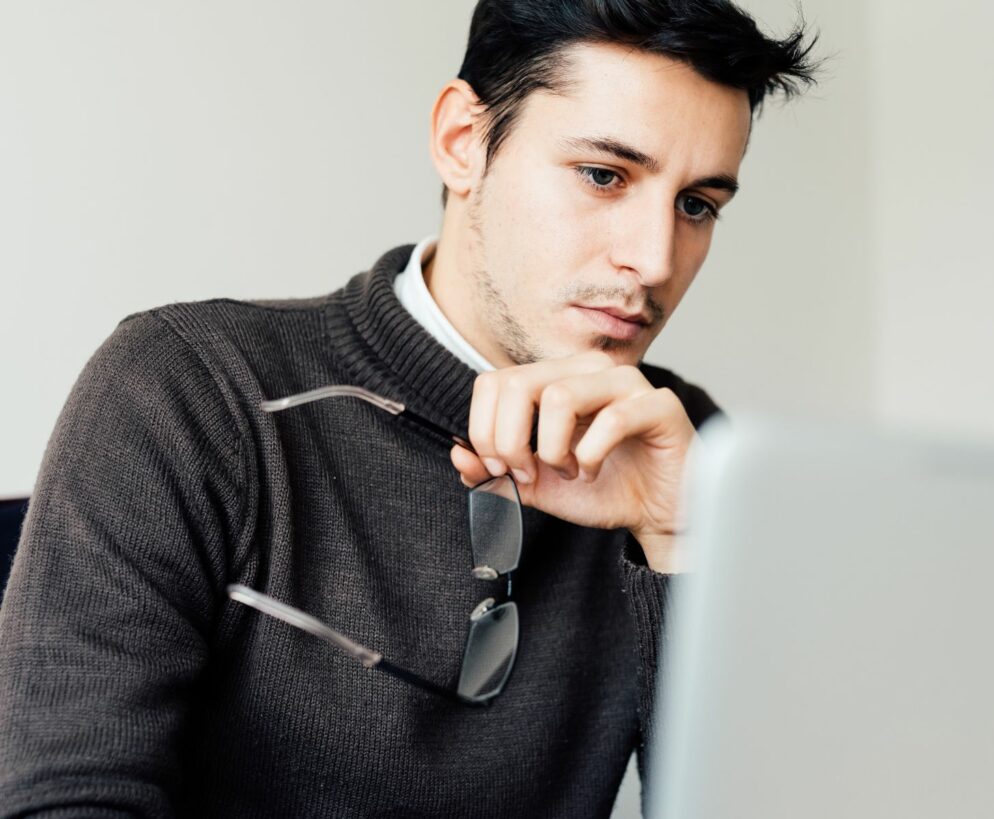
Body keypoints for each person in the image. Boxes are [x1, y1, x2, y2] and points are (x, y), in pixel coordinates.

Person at [0, 1, 819, 815]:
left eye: (698, 204)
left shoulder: (682, 448)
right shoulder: (193, 388)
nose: (653, 259)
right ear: (463, 142)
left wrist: (680, 545)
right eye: (603, 176)